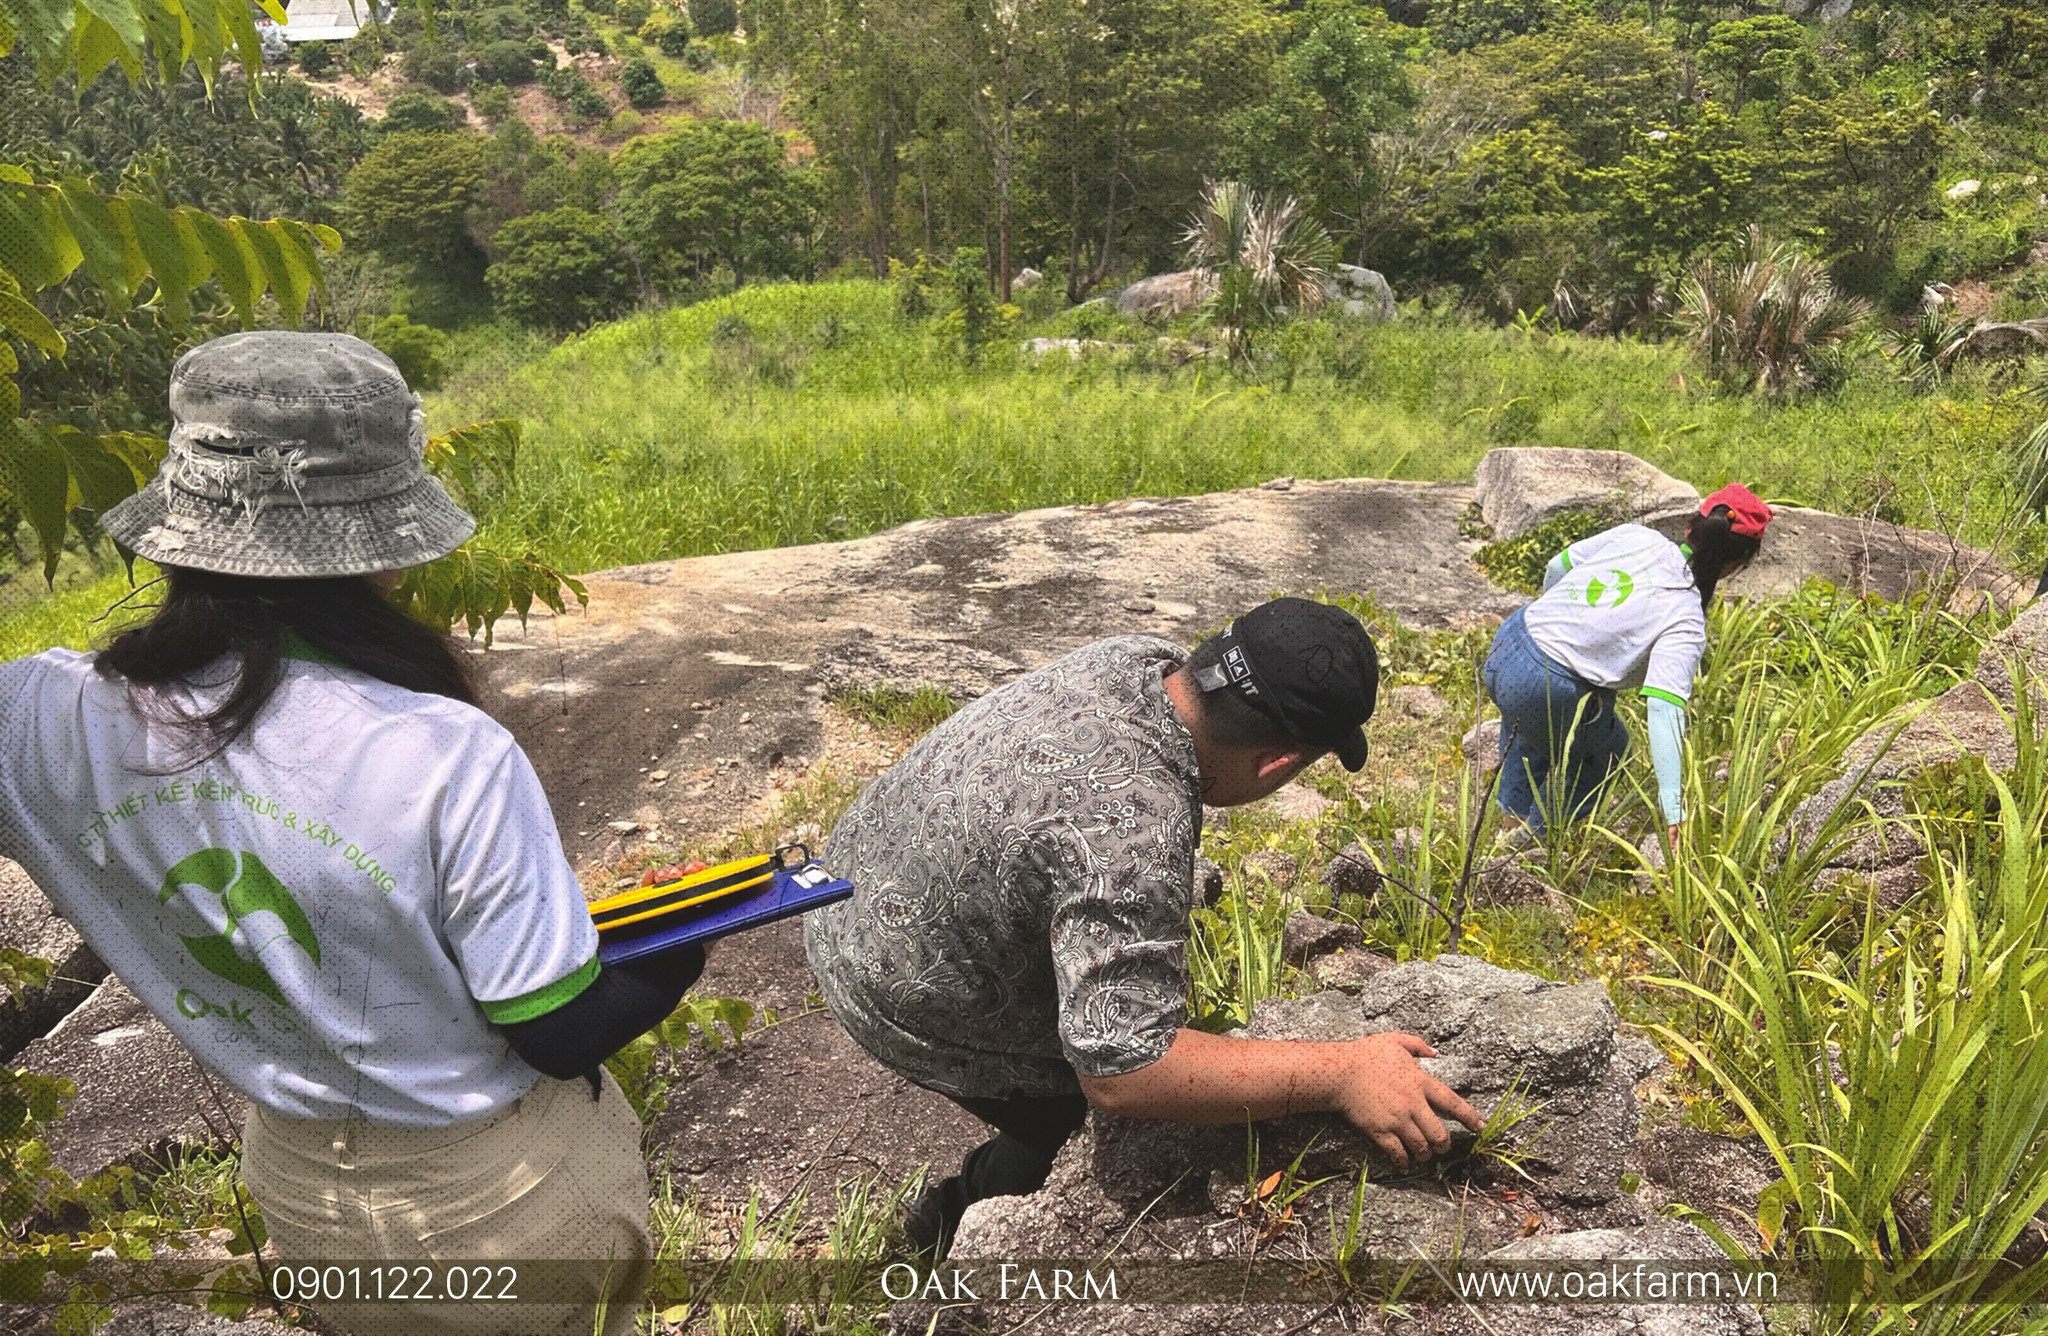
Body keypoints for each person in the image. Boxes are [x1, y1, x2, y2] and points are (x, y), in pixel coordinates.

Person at [0, 333, 703, 1336]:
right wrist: (691, 940)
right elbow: (557, 1030)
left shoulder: (37, 715)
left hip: (302, 1193)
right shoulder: (443, 750)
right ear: (388, 532)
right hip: (495, 1201)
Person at [802, 598, 1483, 1258]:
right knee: (1081, 1124)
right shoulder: (1134, 828)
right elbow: (1126, 1070)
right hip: (892, 980)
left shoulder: (1136, 661)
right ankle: (956, 1226)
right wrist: (1342, 1072)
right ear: (1278, 764)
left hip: (847, 883)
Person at [1481, 485, 1772, 844]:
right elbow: (1664, 709)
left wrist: (1556, 622)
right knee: (1608, 751)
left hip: (1508, 644)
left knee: (1535, 727)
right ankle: (1531, 844)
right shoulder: (1685, 617)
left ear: (1690, 527)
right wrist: (1673, 809)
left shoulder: (1637, 537)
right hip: (1544, 687)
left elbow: (1557, 566)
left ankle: (1508, 825)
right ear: (1734, 565)